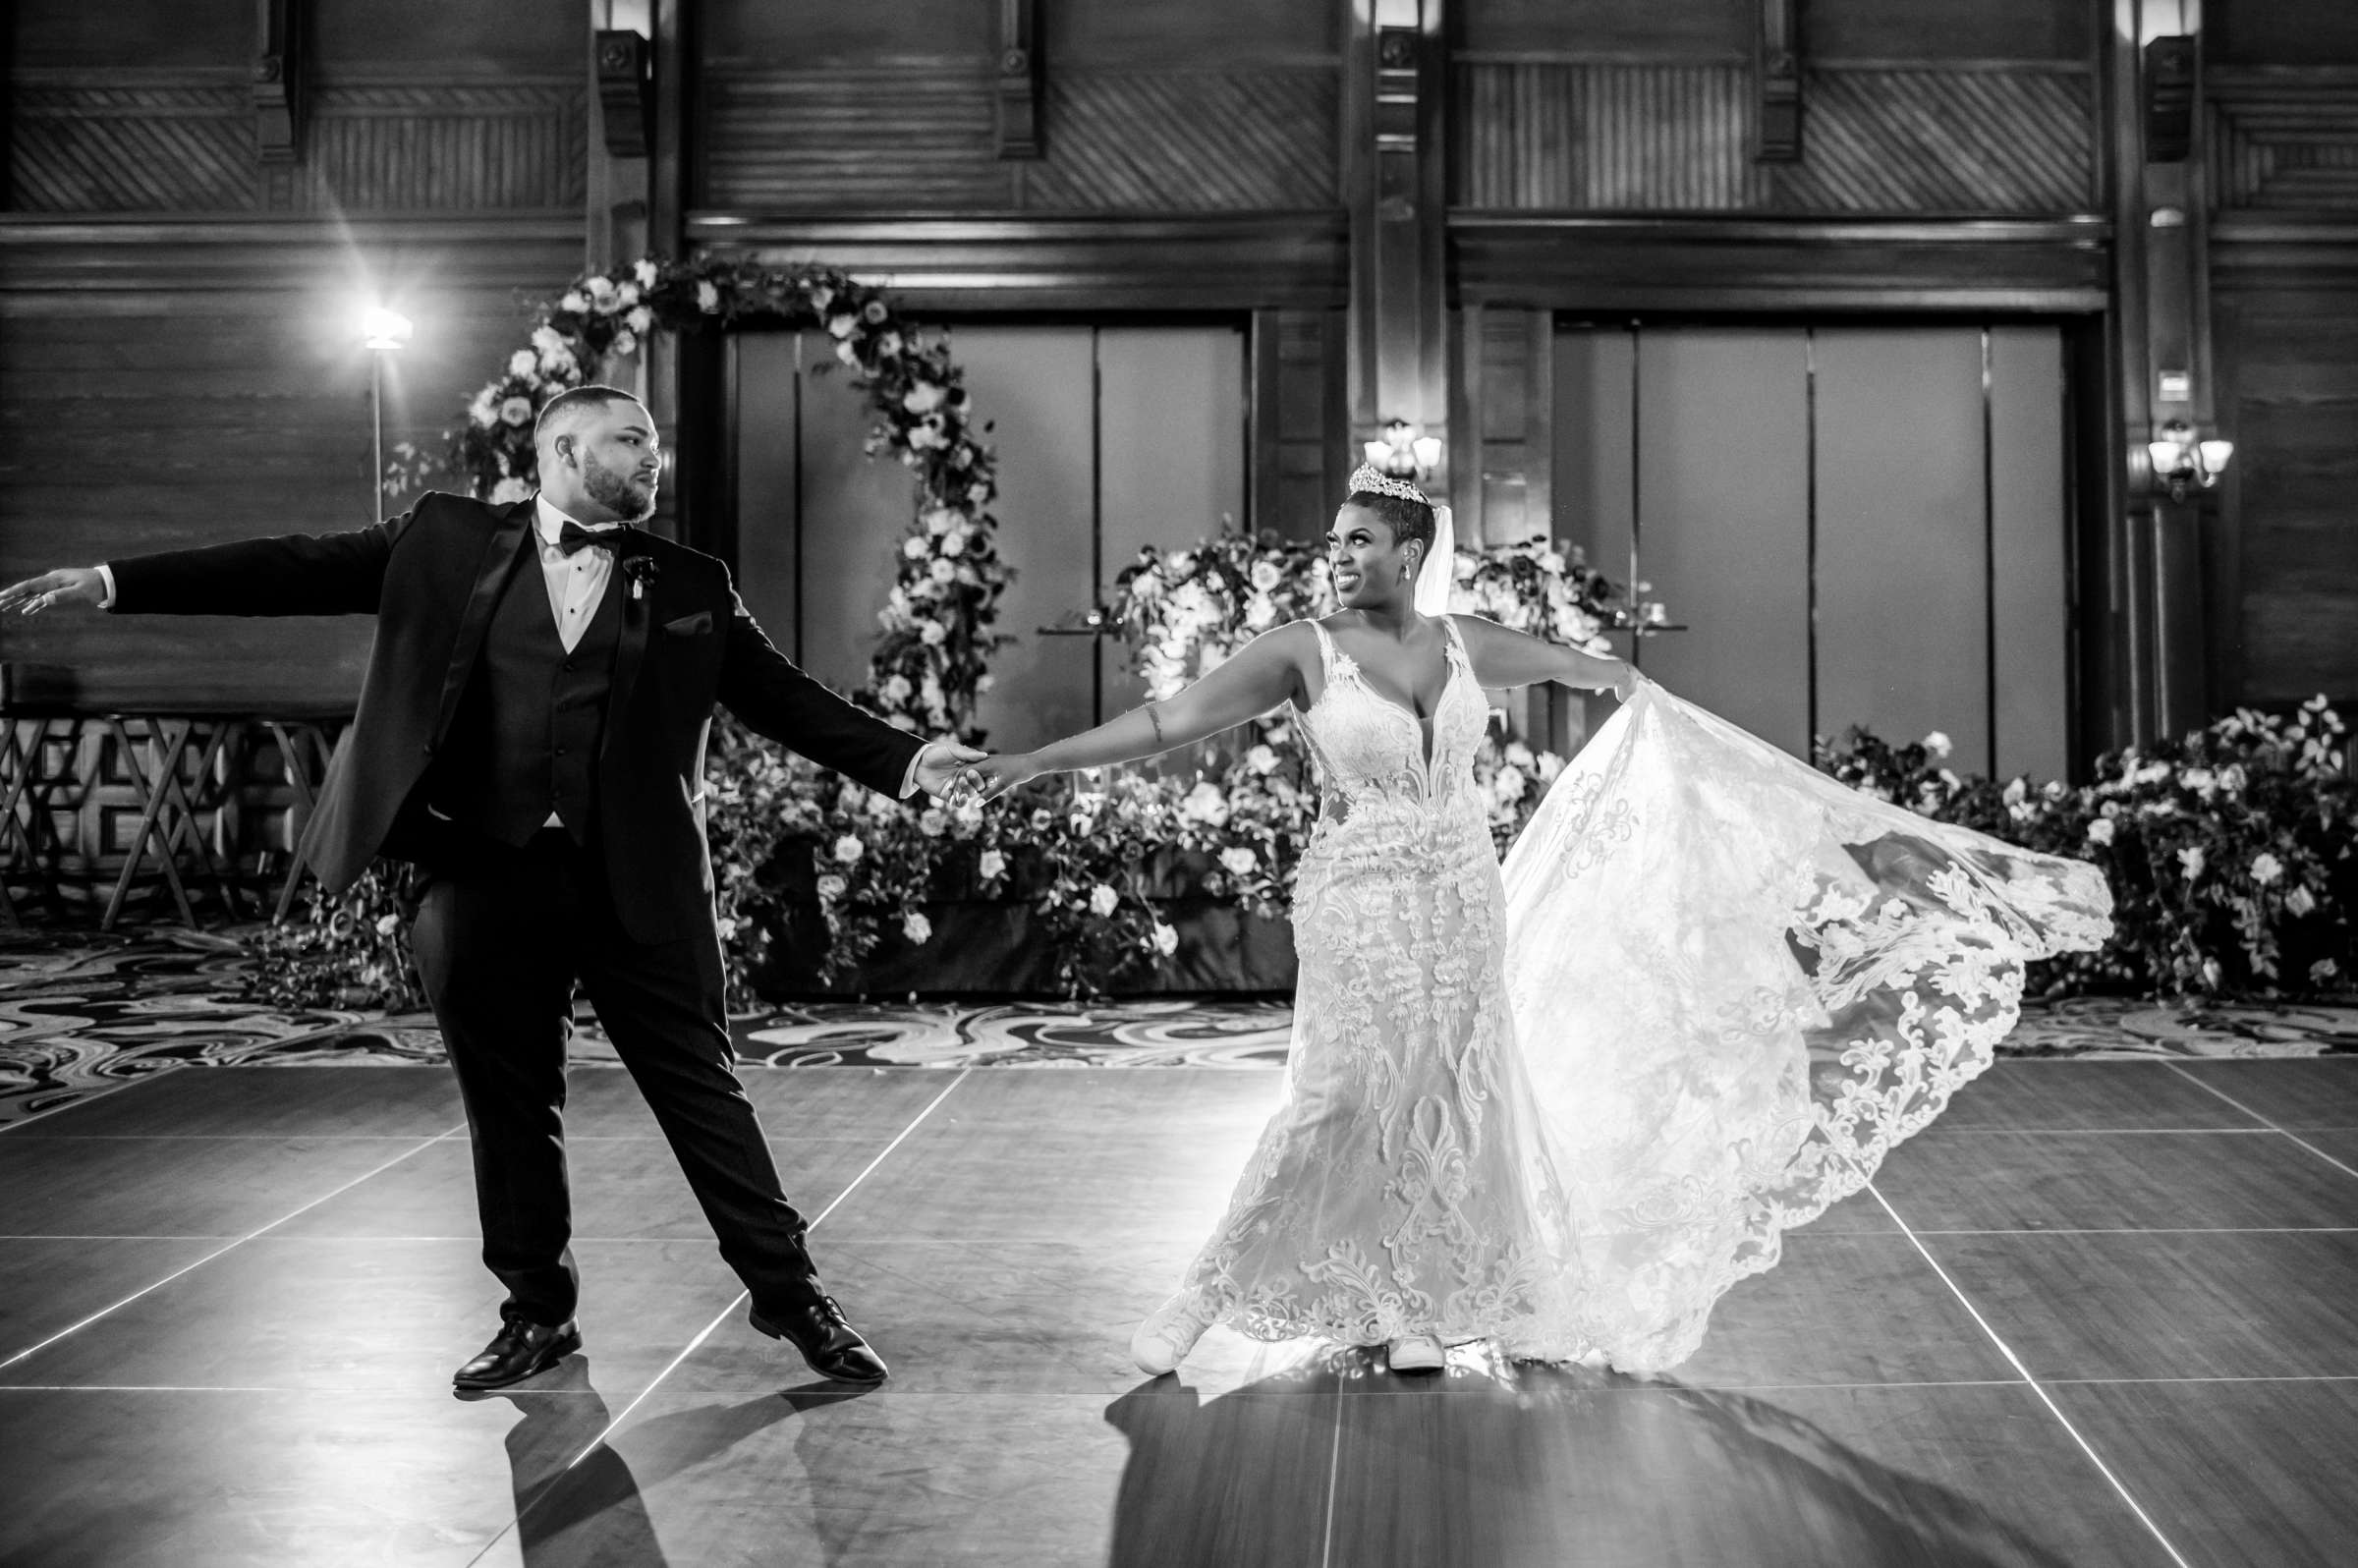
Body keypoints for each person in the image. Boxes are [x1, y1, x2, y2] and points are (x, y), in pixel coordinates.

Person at [963, 465, 2110, 1376]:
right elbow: (1166, 721)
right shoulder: (1297, 654)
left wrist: (1633, 690)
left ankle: (1415, 1301)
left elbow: (1583, 668)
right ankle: (1202, 1294)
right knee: (1345, 1095)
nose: (1340, 554)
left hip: (1464, 900)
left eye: (1361, 539)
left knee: (1451, 1095)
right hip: (1356, 903)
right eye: (1336, 540)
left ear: (1409, 553)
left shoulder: (1462, 644)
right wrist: (1032, 763)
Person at [0, 385, 984, 1391]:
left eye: (655, 443)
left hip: (634, 883)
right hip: (475, 872)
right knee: (510, 1106)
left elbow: (786, 700)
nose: (655, 459)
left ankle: (790, 1295)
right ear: (562, 447)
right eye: (633, 439)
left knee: (704, 1092)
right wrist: (113, 581)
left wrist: (909, 763)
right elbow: (286, 566)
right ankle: (536, 1315)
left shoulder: (691, 582)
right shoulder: (444, 538)